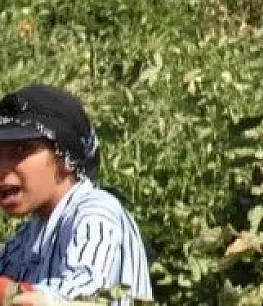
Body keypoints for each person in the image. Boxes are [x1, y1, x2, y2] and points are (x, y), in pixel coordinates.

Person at [0, 85, 152, 305]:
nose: (2, 167)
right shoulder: (30, 234)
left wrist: (12, 294)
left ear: (66, 158)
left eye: (21, 149)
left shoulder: (96, 213)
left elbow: (83, 293)